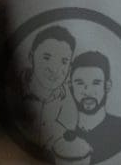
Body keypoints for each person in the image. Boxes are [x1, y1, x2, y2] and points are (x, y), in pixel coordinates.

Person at [17, 24, 77, 157]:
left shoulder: (67, 102)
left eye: (63, 61)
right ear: (32, 57)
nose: (54, 69)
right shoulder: (16, 88)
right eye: (47, 58)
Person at [67, 51, 121, 165]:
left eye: (96, 83)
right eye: (80, 83)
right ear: (70, 86)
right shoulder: (61, 134)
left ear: (107, 86)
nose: (88, 91)